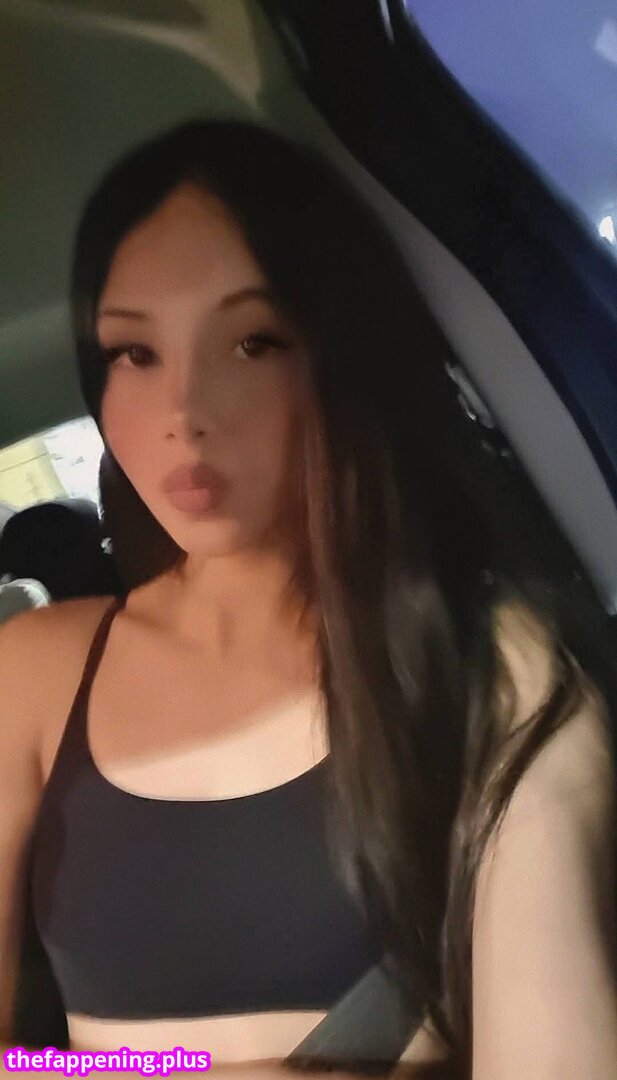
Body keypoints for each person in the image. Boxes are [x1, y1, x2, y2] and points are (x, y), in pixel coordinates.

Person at [0, 120, 615, 1080]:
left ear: (341, 354)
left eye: (252, 341)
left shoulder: (494, 670)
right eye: (133, 353)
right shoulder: (34, 672)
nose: (184, 412)